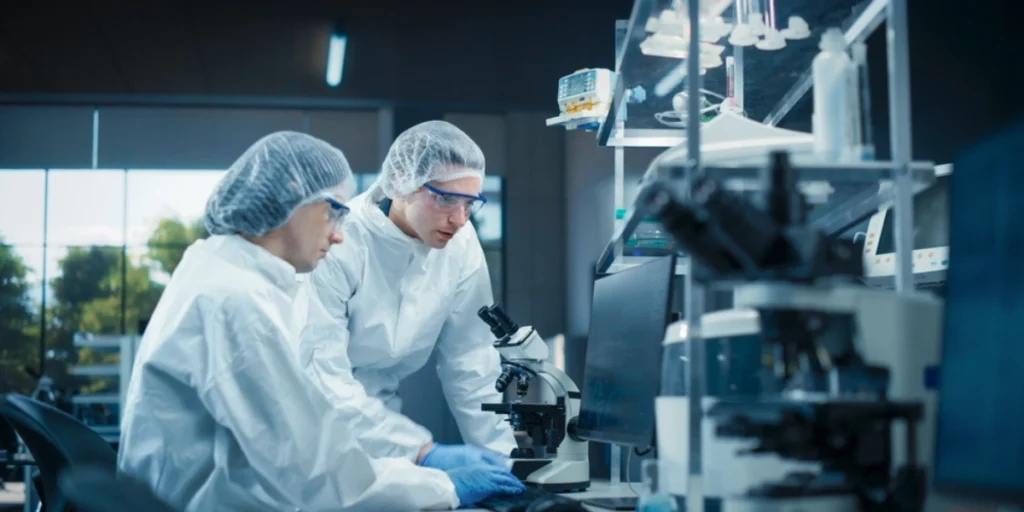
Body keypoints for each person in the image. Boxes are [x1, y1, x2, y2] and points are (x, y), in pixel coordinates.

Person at [117, 131, 524, 511]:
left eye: (469, 205)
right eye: (333, 211)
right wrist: (442, 482)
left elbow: (306, 453)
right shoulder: (236, 303)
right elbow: (315, 471)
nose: (339, 234)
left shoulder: (220, 272)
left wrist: (492, 462)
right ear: (293, 199)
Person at [301, 120, 517, 470]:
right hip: (317, 425)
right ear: (402, 180)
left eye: (470, 203)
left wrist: (504, 462)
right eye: (446, 199)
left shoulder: (460, 245)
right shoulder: (340, 241)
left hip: (384, 417)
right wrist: (420, 452)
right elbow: (323, 376)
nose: (460, 219)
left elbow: (471, 362)